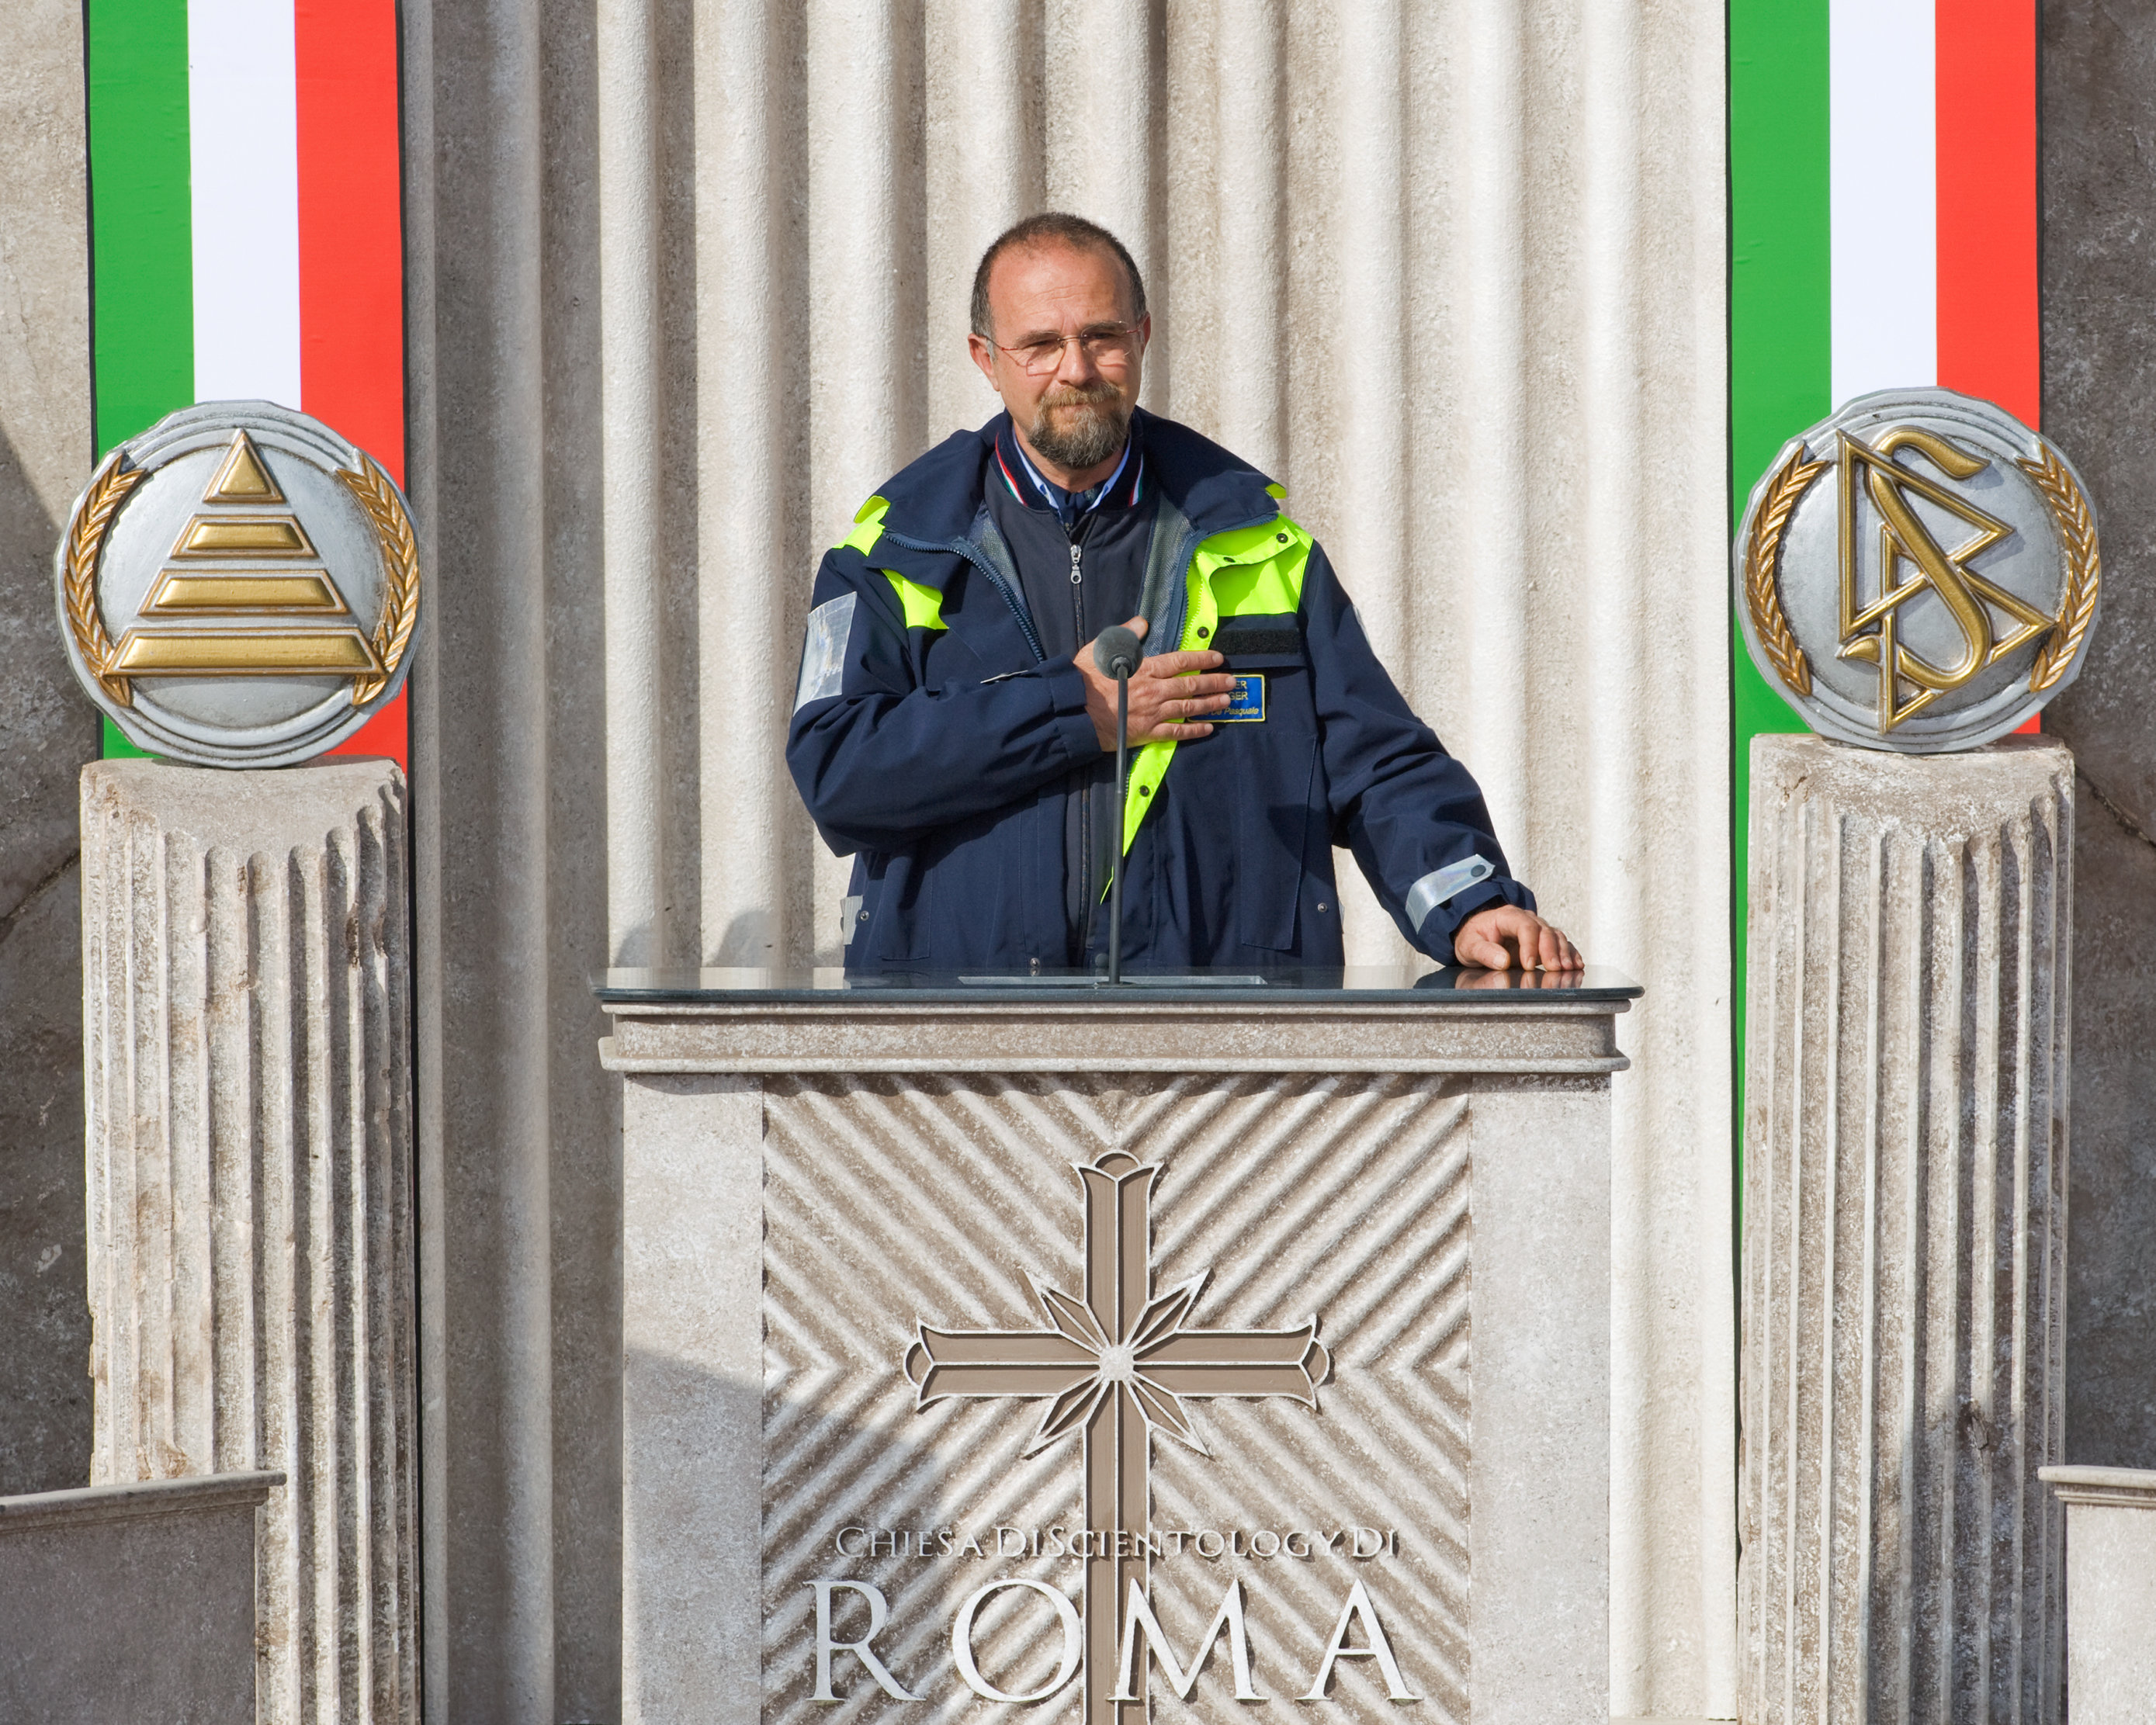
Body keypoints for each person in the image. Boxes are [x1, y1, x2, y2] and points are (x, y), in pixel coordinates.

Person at [786, 212, 1579, 975]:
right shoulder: (891, 554)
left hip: (1222, 1022)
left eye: (1102, 337)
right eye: (1041, 345)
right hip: (961, 1028)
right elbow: (837, 772)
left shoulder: (1261, 547)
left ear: (1143, 337)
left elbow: (1377, 763)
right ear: (985, 359)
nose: (1076, 369)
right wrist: (1071, 712)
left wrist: (1469, 904)